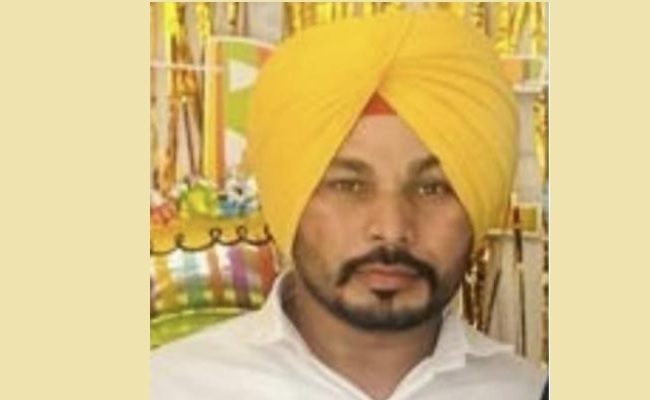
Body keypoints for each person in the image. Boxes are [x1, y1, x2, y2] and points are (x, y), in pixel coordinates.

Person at [151, 9, 546, 400]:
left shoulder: (526, 391)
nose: (391, 229)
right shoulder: (167, 387)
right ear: (289, 200)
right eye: (349, 186)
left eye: (433, 189)